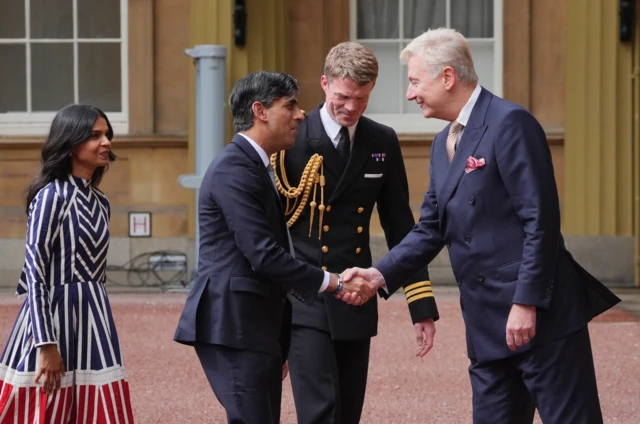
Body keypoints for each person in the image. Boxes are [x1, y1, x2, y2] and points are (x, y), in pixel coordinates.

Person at [343, 28, 621, 424]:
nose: (410, 94)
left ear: (447, 78)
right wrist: (377, 274)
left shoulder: (511, 123)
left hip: (539, 318)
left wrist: (526, 302)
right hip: (487, 327)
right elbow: (431, 228)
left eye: (414, 81)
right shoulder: (442, 144)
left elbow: (540, 220)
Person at [173, 71, 376, 424]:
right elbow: (264, 254)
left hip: (254, 328)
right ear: (260, 111)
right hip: (234, 325)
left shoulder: (252, 165)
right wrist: (336, 283)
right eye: (290, 105)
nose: (300, 115)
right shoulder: (234, 169)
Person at [270, 42, 439, 424]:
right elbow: (271, 230)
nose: (351, 107)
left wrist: (421, 307)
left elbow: (401, 226)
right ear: (325, 83)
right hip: (305, 296)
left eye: (361, 99)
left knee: (347, 414)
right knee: (320, 413)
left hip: (356, 296)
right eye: (343, 97)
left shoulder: (381, 141)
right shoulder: (291, 138)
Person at [0, 104, 135, 422]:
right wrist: (45, 344)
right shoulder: (50, 197)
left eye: (107, 135)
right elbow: (34, 271)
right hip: (52, 320)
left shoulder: (101, 202)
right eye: (94, 136)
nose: (106, 142)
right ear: (71, 143)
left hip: (95, 318)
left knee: (100, 410)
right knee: (43, 409)